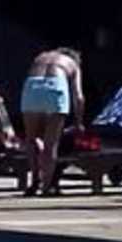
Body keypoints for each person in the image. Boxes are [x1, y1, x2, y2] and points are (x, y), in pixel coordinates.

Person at [19, 46, 85, 197]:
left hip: (32, 86)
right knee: (51, 144)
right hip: (56, 86)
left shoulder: (41, 57)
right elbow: (78, 96)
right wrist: (79, 122)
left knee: (32, 139)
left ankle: (34, 180)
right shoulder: (72, 63)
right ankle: (47, 187)